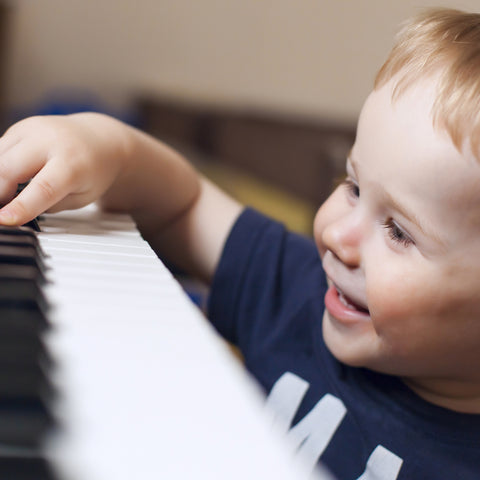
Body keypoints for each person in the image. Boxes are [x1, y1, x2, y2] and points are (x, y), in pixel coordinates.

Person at [1, 6, 480, 479]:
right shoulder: (301, 290)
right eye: (353, 186)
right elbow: (184, 204)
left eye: (398, 231)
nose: (336, 235)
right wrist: (105, 144)